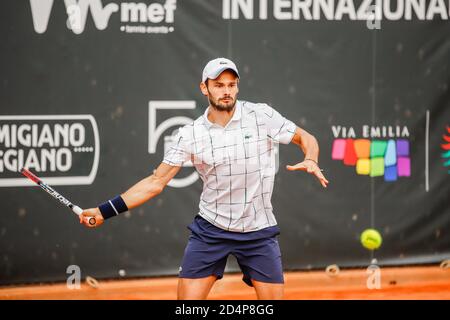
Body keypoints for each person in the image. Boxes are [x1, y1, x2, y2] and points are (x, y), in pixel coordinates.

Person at [80, 58, 329, 300]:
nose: (226, 91)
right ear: (204, 88)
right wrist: (103, 212)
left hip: (258, 231)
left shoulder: (260, 115)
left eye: (231, 85)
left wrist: (312, 158)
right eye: (219, 85)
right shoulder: (189, 135)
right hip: (211, 231)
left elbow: (305, 138)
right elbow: (156, 182)